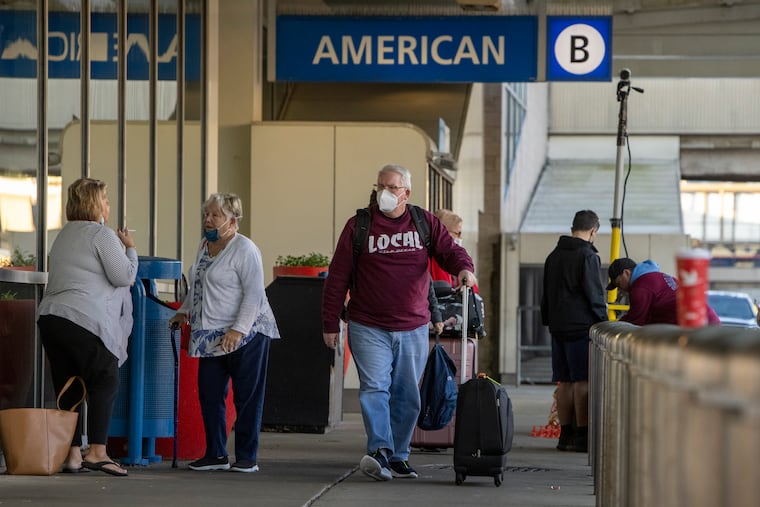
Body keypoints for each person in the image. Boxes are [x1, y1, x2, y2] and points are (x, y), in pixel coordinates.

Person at [323, 164, 476, 481]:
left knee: (407, 394)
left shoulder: (424, 222)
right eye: (381, 185)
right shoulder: (359, 226)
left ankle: (398, 455)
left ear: (406, 192)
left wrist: (464, 269)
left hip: (412, 326)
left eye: (392, 187)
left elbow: (450, 251)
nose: (385, 193)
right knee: (374, 388)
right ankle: (380, 450)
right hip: (368, 325)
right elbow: (337, 277)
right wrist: (329, 323)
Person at [168, 193, 280, 473]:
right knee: (209, 393)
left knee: (247, 396)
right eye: (206, 213)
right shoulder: (205, 245)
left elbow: (254, 294)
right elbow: (199, 284)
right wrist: (184, 311)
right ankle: (216, 454)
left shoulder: (245, 249)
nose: (208, 219)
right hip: (210, 334)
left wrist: (238, 330)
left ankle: (246, 457)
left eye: (215, 214)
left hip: (248, 333)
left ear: (232, 219)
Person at [37, 177, 137, 476]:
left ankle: (71, 455)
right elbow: (123, 277)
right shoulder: (101, 235)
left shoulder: (64, 235)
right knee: (104, 380)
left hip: (52, 318)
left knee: (70, 386)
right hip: (83, 318)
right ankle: (97, 451)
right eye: (105, 200)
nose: (108, 206)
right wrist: (129, 248)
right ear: (95, 204)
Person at [540, 209, 607, 453]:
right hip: (581, 327)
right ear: (593, 231)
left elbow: (545, 294)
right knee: (582, 381)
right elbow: (594, 293)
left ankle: (564, 435)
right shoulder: (588, 256)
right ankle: (582, 436)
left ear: (572, 228)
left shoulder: (553, 256)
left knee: (565, 382)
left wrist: (549, 320)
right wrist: (604, 320)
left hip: (558, 326)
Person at [606, 257, 720, 325]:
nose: (621, 289)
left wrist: (613, 326)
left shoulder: (640, 287)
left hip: (694, 326)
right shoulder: (660, 276)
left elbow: (635, 321)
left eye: (619, 283)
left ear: (626, 273)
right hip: (707, 318)